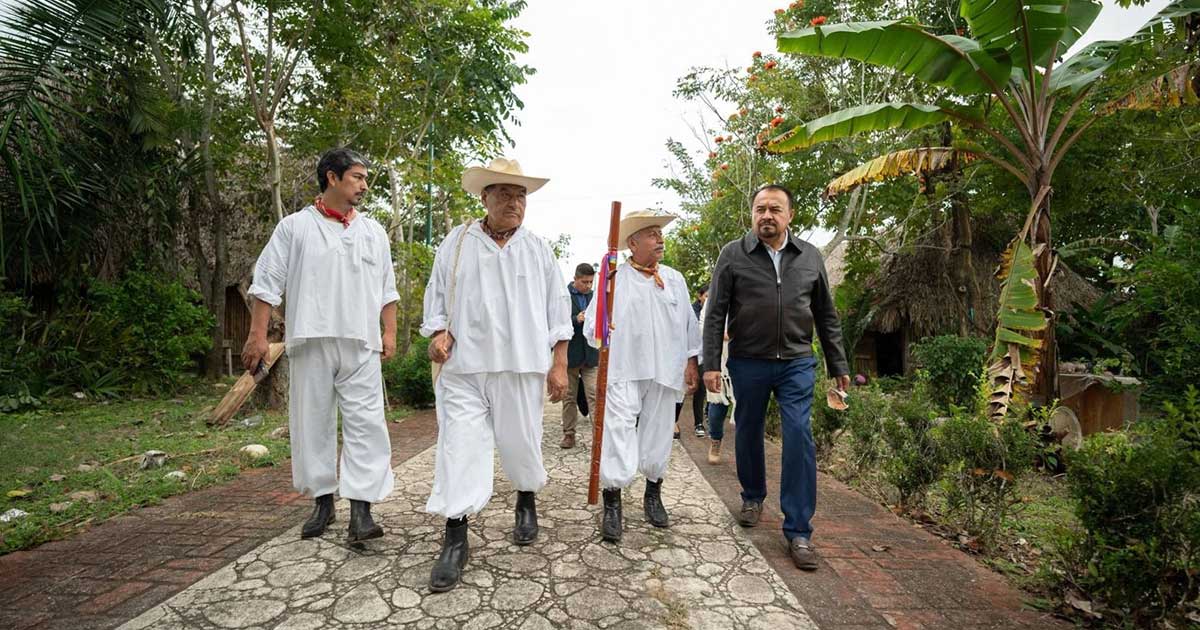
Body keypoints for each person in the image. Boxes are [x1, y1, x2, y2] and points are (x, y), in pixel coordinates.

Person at [420, 158, 572, 592]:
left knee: (521, 443)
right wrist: (438, 334)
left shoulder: (538, 249)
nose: (514, 202)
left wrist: (559, 365)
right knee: (460, 447)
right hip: (464, 368)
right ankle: (455, 536)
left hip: (522, 366)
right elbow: (437, 302)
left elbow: (558, 313)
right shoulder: (458, 243)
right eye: (504, 193)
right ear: (483, 197)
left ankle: (526, 500)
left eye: (520, 195)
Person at [243, 147, 398, 544]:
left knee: (366, 424)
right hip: (310, 340)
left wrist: (390, 332)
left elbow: (387, 290)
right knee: (312, 424)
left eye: (364, 178)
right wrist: (257, 336)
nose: (364, 185)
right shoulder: (295, 228)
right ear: (332, 177)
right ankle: (323, 503)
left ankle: (361, 512)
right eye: (357, 177)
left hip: (361, 343)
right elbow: (266, 284)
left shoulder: (373, 231)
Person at [703, 184, 851, 571]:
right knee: (748, 428)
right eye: (759, 209)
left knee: (799, 434)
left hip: (797, 362)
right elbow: (715, 311)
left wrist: (839, 365)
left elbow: (826, 315)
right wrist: (710, 363)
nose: (766, 215)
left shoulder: (810, 257)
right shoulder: (733, 255)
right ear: (752, 214)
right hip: (748, 360)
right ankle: (753, 496)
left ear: (789, 215)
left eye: (775, 209)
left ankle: (799, 530)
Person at [584, 209, 700, 543]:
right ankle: (613, 501)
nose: (659, 238)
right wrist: (604, 324)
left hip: (665, 368)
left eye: (660, 233)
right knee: (618, 430)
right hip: (624, 369)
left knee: (659, 433)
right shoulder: (614, 280)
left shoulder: (674, 279)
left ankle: (653, 492)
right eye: (651, 233)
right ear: (633, 243)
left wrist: (691, 362)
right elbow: (593, 325)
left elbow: (688, 327)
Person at [561, 263, 599, 449]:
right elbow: (556, 321)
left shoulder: (594, 297)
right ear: (575, 279)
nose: (588, 286)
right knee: (569, 397)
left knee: (594, 394)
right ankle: (569, 434)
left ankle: (598, 435)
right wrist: (576, 319)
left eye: (591, 282)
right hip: (570, 355)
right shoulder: (562, 295)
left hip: (591, 355)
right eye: (585, 282)